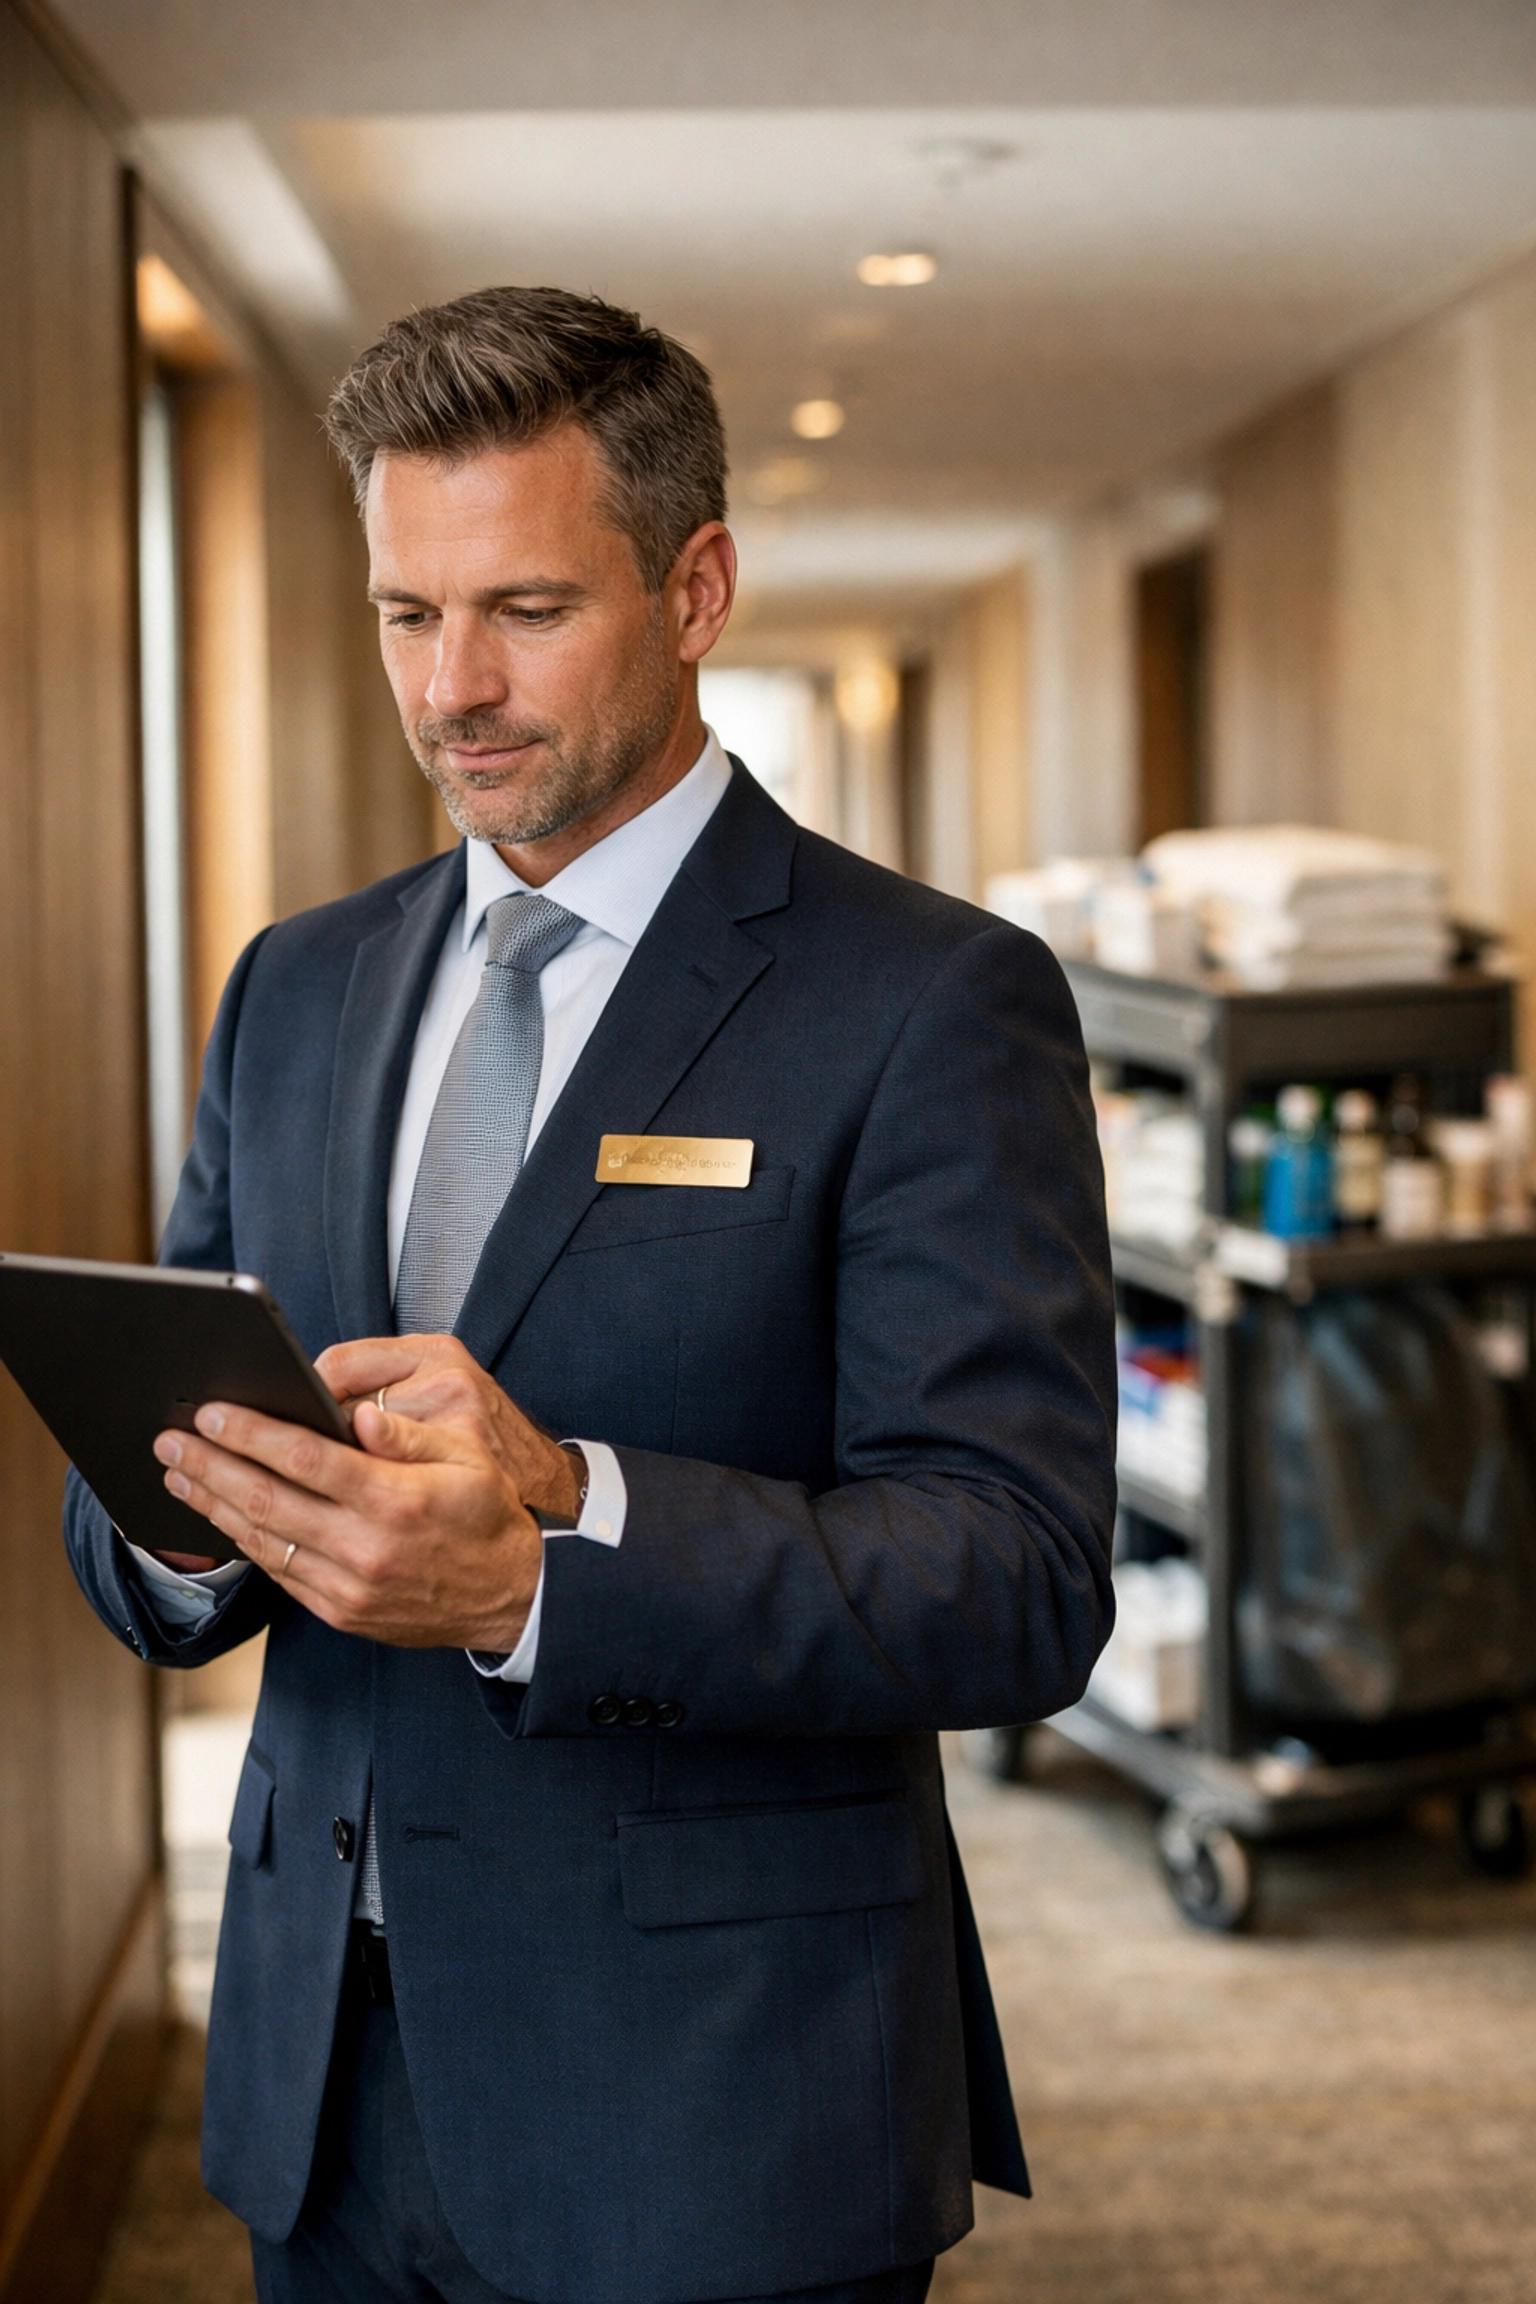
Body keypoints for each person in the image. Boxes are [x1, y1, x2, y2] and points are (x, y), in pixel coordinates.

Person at [66, 285, 1116, 2304]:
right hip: (322, 2083)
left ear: (697, 583)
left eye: (527, 611)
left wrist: (558, 1546)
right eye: (404, 614)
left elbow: (1018, 1569)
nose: (452, 686)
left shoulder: (929, 1001)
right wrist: (203, 1522)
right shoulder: (295, 986)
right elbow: (137, 1507)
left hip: (712, 2100)